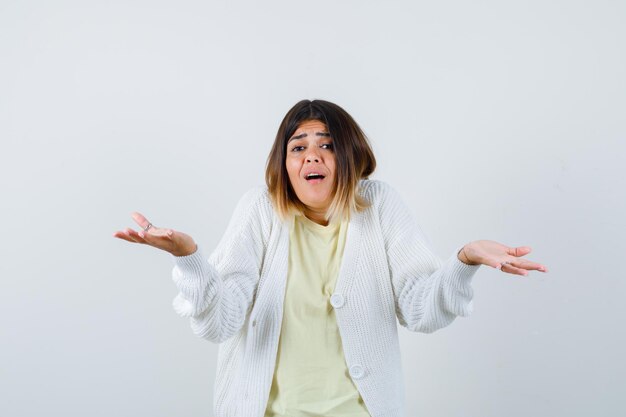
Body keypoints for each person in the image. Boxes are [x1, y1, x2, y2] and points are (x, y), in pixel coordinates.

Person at [113, 99, 548, 417]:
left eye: (326, 145)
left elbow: (420, 308)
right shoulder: (259, 210)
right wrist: (190, 258)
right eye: (298, 147)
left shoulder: (380, 206)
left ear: (350, 155)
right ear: (284, 164)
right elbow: (219, 320)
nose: (312, 155)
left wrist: (463, 259)